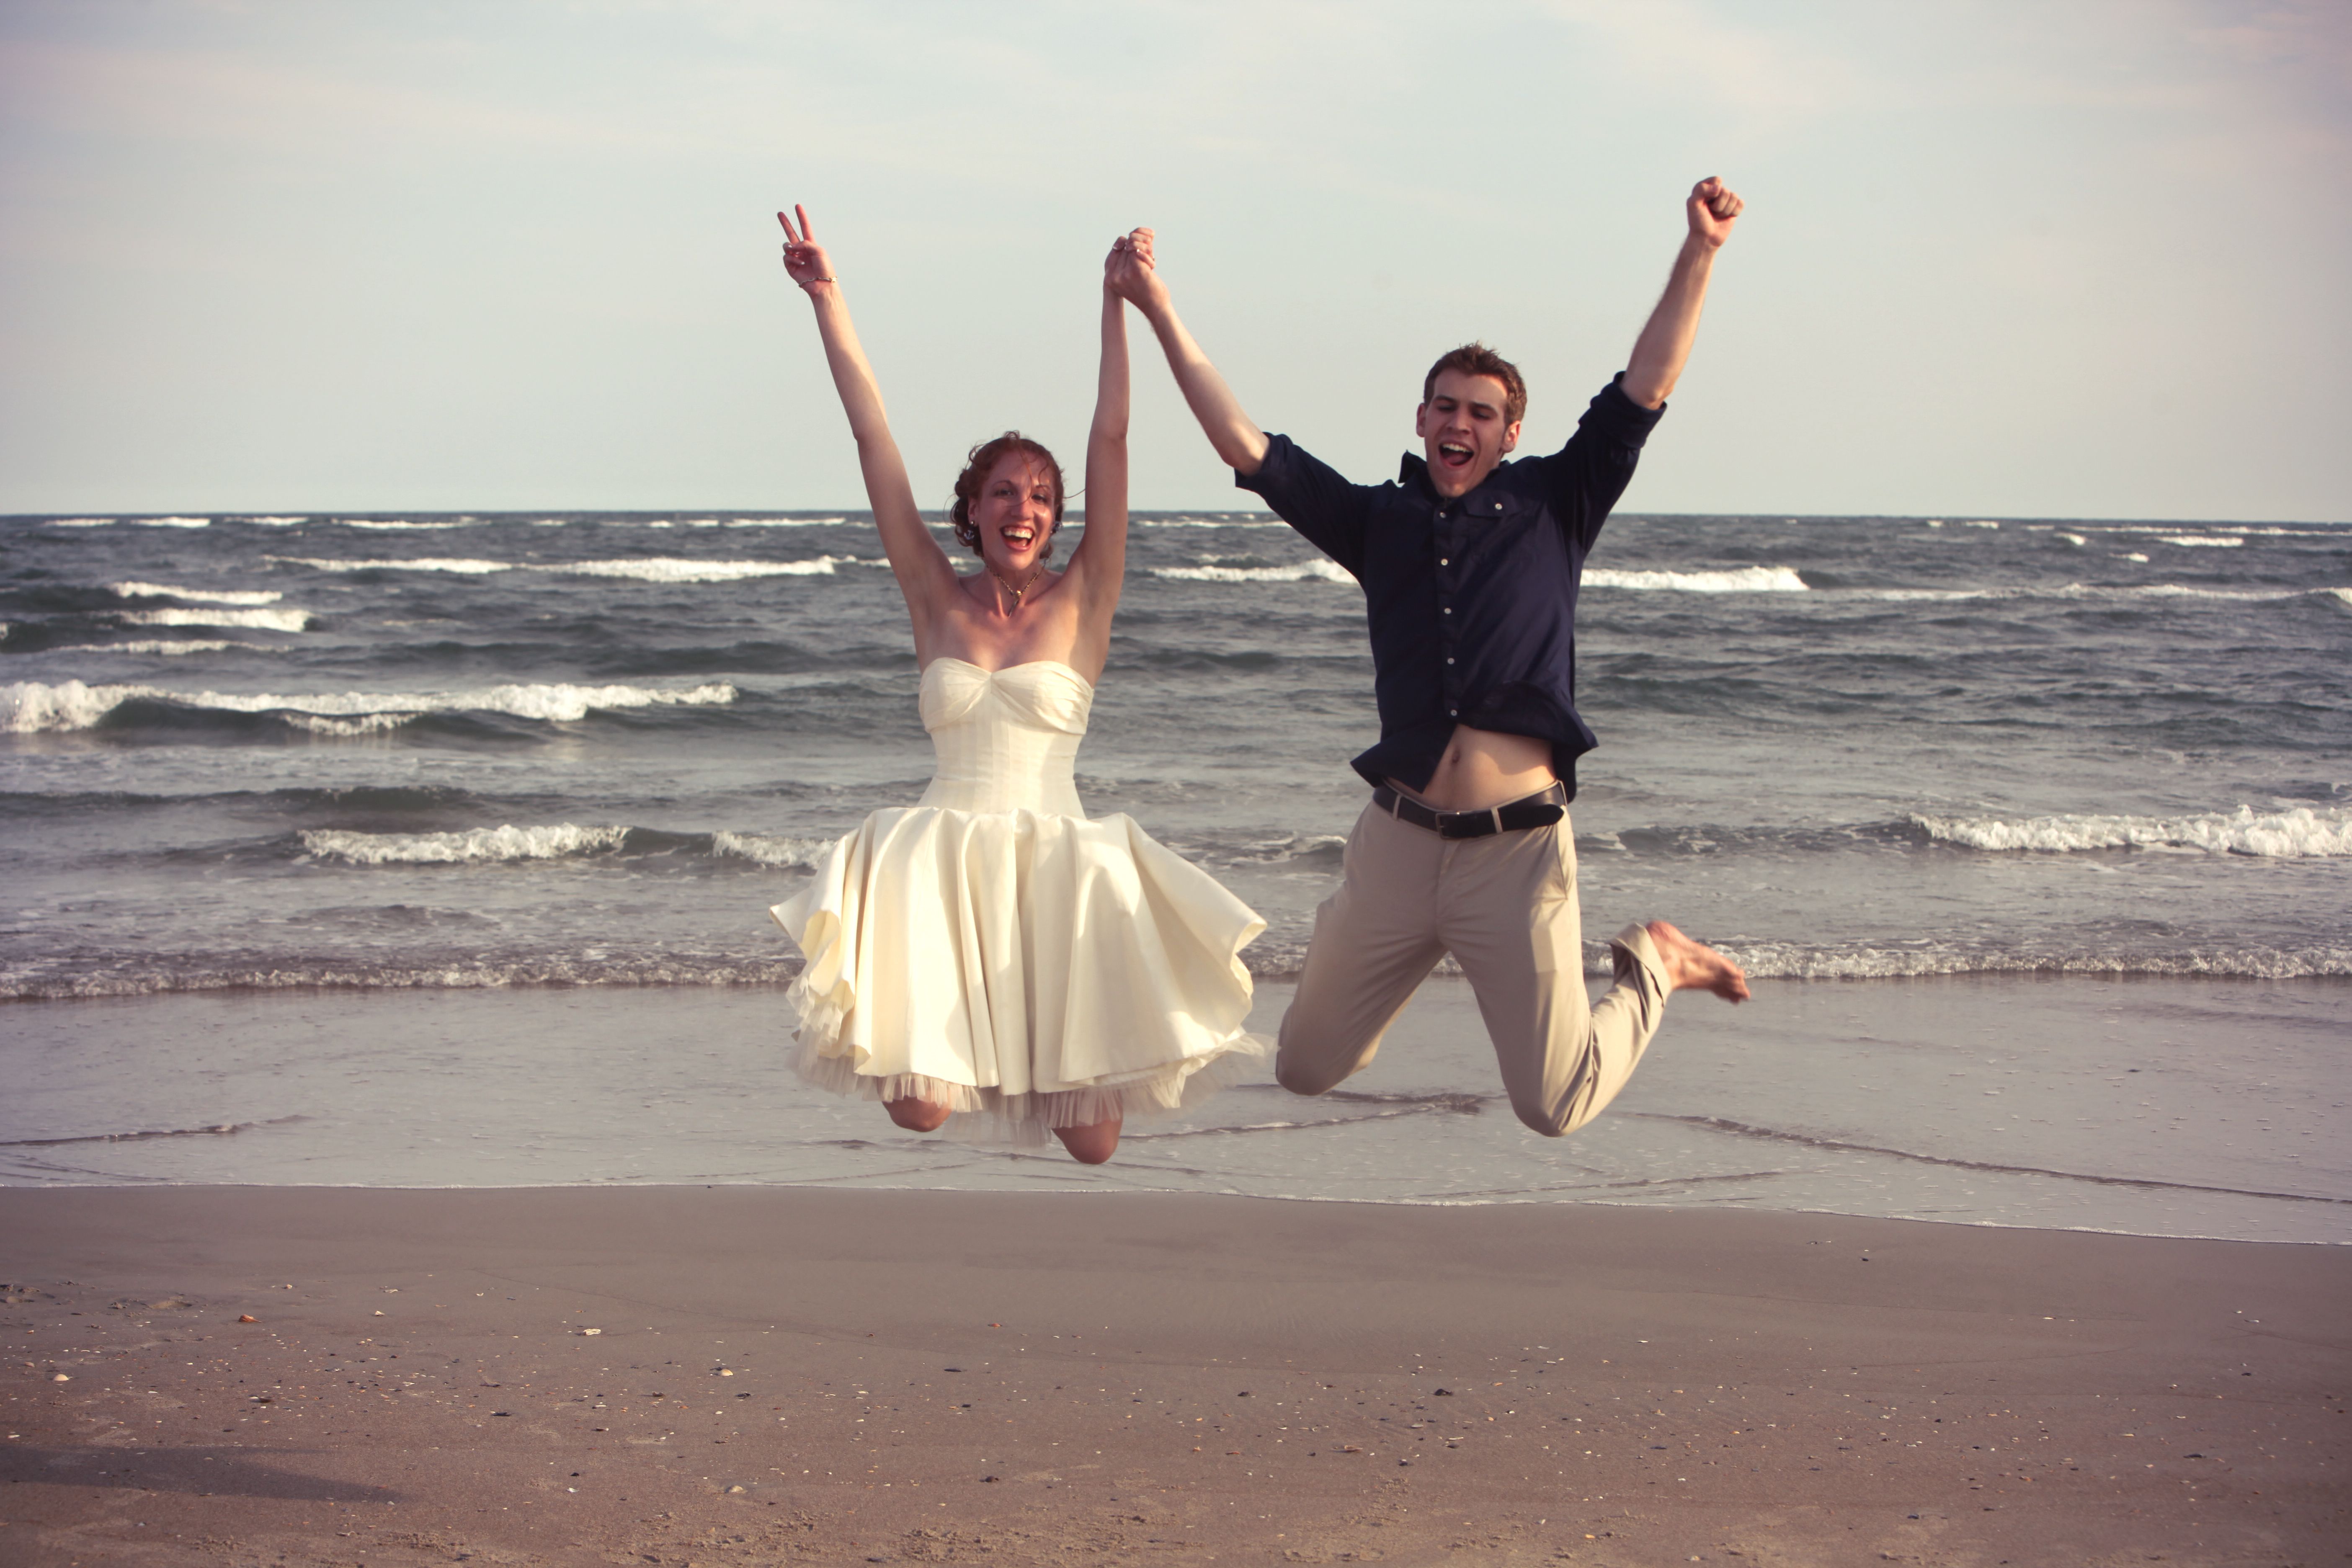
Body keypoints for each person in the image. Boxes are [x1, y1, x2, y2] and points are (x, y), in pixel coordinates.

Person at [1108, 178, 1753, 1140]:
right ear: (1420, 420)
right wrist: (1159, 305)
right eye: (1445, 407)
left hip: (1517, 855)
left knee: (1554, 1105)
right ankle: (1381, 956)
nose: (1461, 423)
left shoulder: (1556, 502)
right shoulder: (1380, 521)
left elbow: (1645, 385)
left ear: (1510, 434)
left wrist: (1700, 250)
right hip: (1398, 848)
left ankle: (1656, 961)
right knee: (1304, 1068)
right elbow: (1243, 444)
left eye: (1482, 413)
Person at [766, 206, 1266, 1164]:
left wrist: (1117, 303)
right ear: (973, 510)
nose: (1024, 507)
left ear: (1055, 516)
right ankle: (972, 1030)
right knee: (919, 1108)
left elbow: (1112, 436)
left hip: (1058, 870)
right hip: (938, 866)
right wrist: (828, 299)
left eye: (1040, 494)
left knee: (1094, 1143)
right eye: (1004, 491)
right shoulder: (932, 595)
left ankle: (1034, 1034)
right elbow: (874, 437)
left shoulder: (1087, 597)